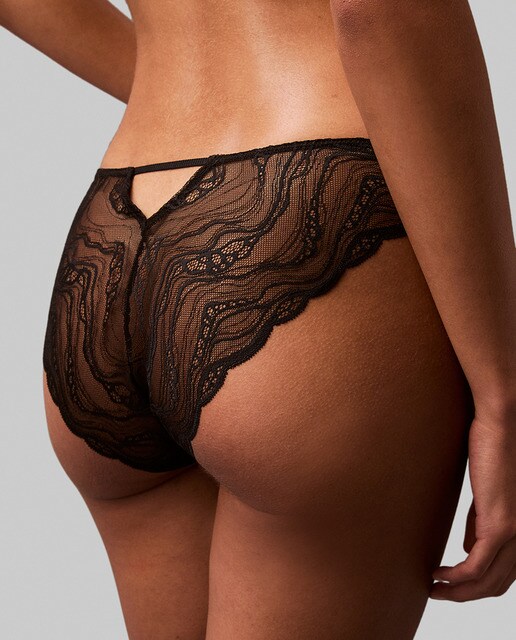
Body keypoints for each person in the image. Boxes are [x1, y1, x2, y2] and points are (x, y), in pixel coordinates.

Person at [2, 0, 515, 638]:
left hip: (113, 230)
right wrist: (502, 397)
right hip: (306, 191)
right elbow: (377, 8)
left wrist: (190, 90)